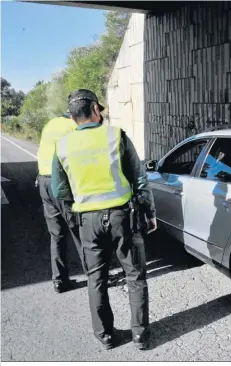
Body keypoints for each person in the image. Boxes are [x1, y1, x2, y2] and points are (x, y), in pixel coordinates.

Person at [51, 89, 157, 350]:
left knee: (96, 279)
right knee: (135, 275)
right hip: (123, 217)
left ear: (72, 117)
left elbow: (59, 191)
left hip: (88, 220)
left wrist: (77, 214)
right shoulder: (116, 135)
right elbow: (139, 177)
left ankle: (106, 336)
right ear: (96, 110)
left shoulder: (62, 146)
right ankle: (140, 335)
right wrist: (149, 211)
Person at [36, 112, 86, 294]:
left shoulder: (50, 123)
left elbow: (42, 151)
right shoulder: (74, 127)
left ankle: (59, 280)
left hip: (44, 182)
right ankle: (94, 274)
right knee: (79, 229)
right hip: (61, 182)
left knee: (56, 235)